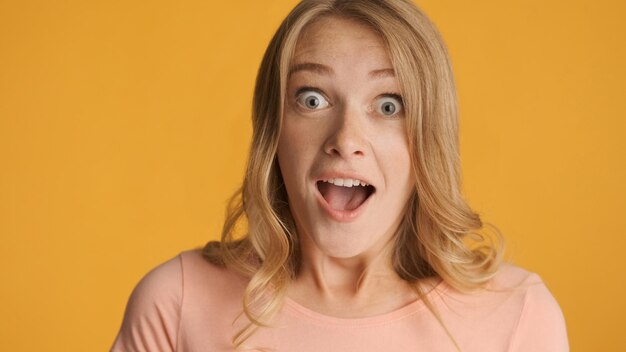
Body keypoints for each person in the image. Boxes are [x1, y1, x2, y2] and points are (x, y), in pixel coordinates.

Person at [110, 0, 569, 351]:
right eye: (312, 99)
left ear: (429, 138)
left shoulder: (518, 316)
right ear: (273, 130)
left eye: (389, 105)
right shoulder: (176, 302)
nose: (346, 139)